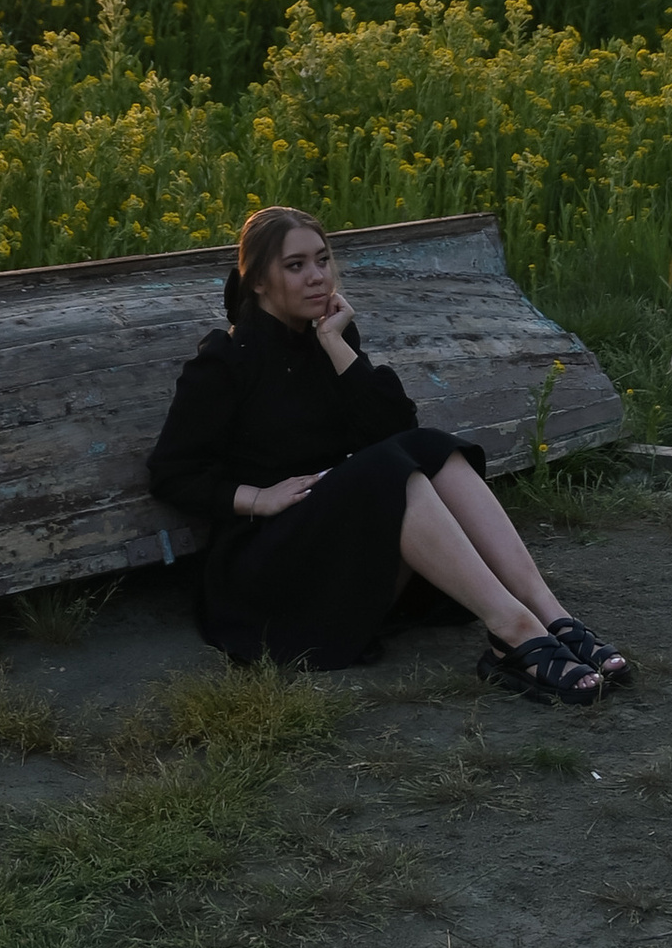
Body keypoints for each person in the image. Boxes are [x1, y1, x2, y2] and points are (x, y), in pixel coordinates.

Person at [146, 206, 629, 707]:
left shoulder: (329, 338)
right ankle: (512, 628)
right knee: (388, 469)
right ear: (259, 281)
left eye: (322, 260)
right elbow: (171, 473)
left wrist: (337, 347)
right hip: (266, 567)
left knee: (430, 446)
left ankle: (548, 613)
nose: (317, 277)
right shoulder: (224, 364)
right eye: (295, 266)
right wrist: (257, 499)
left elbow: (399, 432)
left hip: (334, 533)